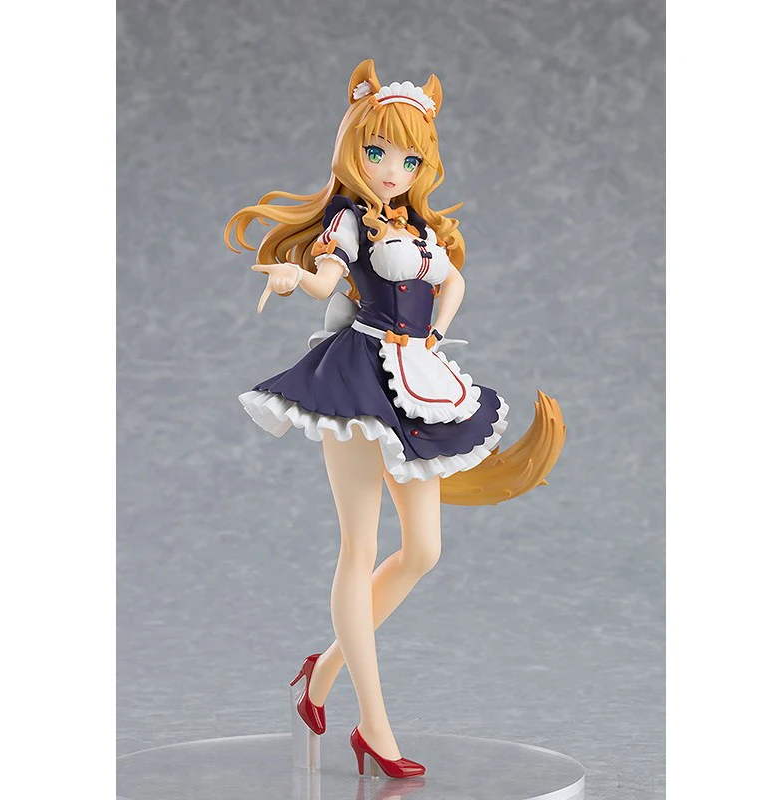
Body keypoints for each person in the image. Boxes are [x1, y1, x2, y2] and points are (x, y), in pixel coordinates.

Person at [225, 59, 565, 779]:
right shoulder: (347, 219)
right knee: (360, 547)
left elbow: (453, 279)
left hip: (415, 377)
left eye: (408, 159)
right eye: (377, 152)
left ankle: (321, 672)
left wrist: (436, 333)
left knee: (423, 550)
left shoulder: (417, 224)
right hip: (355, 381)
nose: (390, 170)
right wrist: (294, 278)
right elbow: (326, 275)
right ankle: (373, 726)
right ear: (354, 147)